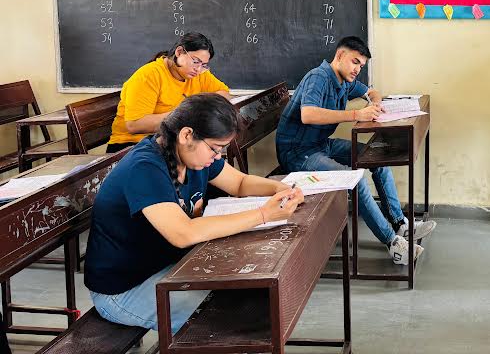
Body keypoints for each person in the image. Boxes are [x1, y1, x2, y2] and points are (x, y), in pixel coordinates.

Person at [85, 93, 303, 333]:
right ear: (186, 135)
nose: (217, 157)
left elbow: (239, 183)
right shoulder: (145, 167)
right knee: (235, 316)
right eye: (215, 149)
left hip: (171, 265)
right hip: (124, 289)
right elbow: (183, 233)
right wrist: (263, 215)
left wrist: (281, 189)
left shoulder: (193, 156)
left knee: (259, 296)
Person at [276, 36, 436, 266]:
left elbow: (372, 92)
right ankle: (393, 243)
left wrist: (375, 104)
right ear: (340, 55)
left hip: (320, 144)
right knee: (356, 180)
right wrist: (356, 115)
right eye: (355, 62)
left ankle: (400, 223)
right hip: (298, 153)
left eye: (361, 65)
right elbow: (308, 114)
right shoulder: (318, 77)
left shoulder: (345, 81)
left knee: (376, 157)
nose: (357, 69)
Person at [108, 32, 230, 152]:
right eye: (195, 61)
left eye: (203, 65)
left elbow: (224, 93)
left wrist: (200, 106)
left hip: (168, 140)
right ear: (179, 52)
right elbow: (134, 125)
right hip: (132, 145)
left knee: (210, 154)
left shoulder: (198, 74)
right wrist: (185, 114)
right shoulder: (149, 75)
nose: (198, 69)